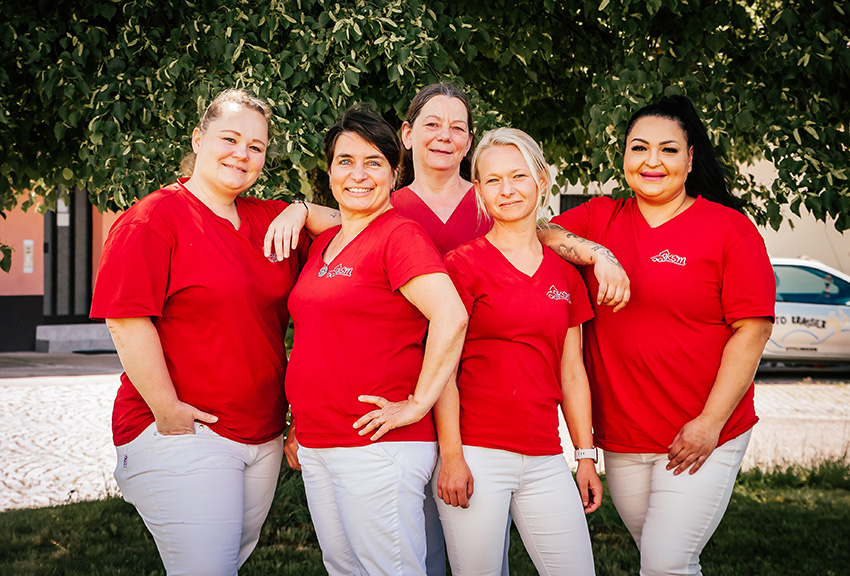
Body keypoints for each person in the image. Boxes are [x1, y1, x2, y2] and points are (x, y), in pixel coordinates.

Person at [264, 82, 629, 575]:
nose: (445, 135)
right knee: (420, 558)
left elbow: (533, 230)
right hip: (412, 423)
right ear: (408, 135)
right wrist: (300, 208)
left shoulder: (482, 206)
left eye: (458, 127)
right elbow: (343, 219)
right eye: (432, 124)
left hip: (442, 423)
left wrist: (598, 253)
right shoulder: (384, 208)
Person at [545, 95, 775, 575]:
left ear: (690, 160)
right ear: (624, 157)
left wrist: (710, 423)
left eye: (668, 150)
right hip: (625, 434)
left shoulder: (729, 229)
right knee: (662, 559)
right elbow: (537, 230)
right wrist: (597, 255)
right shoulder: (599, 218)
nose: (652, 161)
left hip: (703, 431)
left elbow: (751, 331)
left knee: (665, 563)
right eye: (639, 148)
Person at [90, 88, 305, 576]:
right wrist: (167, 410)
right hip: (183, 432)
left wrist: (300, 208)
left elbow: (358, 227)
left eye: (256, 146)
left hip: (262, 435)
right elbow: (126, 321)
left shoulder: (268, 219)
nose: (242, 154)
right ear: (198, 139)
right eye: (229, 138)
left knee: (226, 562)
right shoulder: (152, 219)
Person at [283, 103, 468, 576]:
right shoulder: (326, 243)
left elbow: (451, 316)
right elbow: (323, 338)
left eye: (373, 162)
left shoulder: (398, 235)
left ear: (393, 173)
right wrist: (300, 423)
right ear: (328, 172)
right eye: (345, 161)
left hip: (378, 447)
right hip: (320, 443)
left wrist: (418, 403)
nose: (358, 174)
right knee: (344, 568)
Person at [435, 127, 600, 575]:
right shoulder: (462, 265)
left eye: (518, 176)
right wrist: (452, 457)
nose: (507, 190)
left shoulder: (565, 274)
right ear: (481, 193)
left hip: (546, 457)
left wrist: (584, 456)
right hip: (477, 453)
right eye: (492, 181)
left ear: (541, 180)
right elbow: (442, 371)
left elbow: (572, 374)